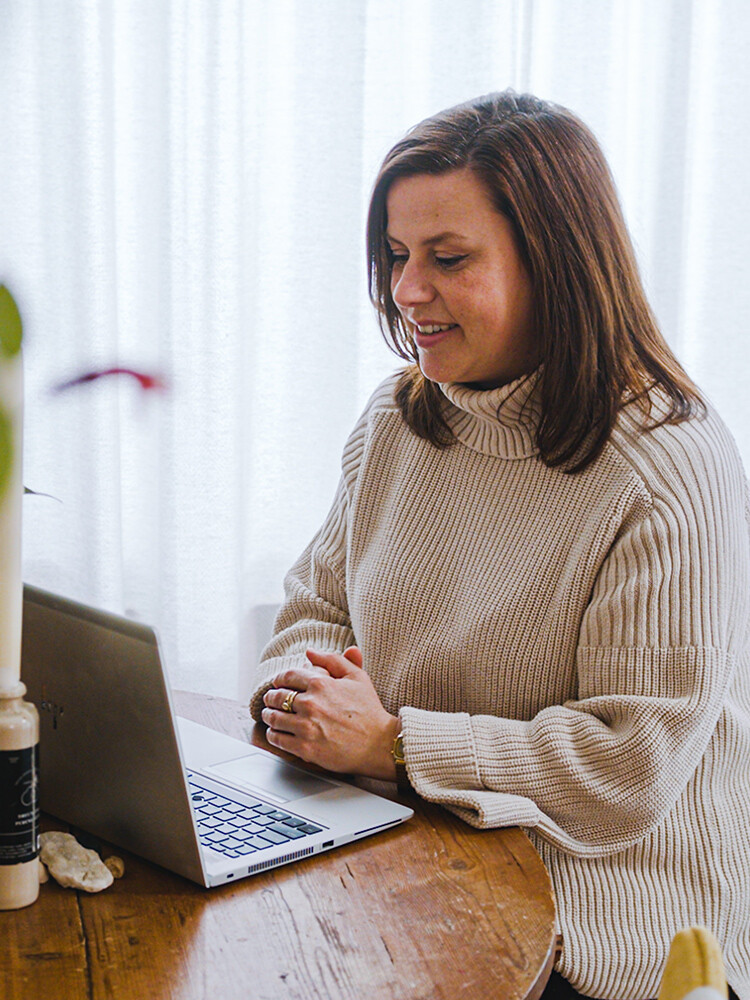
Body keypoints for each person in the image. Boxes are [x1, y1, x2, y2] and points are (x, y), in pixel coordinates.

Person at [248, 91, 750, 1000]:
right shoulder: (398, 420)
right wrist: (306, 704)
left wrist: (396, 744)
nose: (406, 292)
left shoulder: (669, 468)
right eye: (398, 257)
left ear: (555, 265)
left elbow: (627, 764)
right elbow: (314, 604)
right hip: (406, 864)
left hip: (599, 934)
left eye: (448, 259)